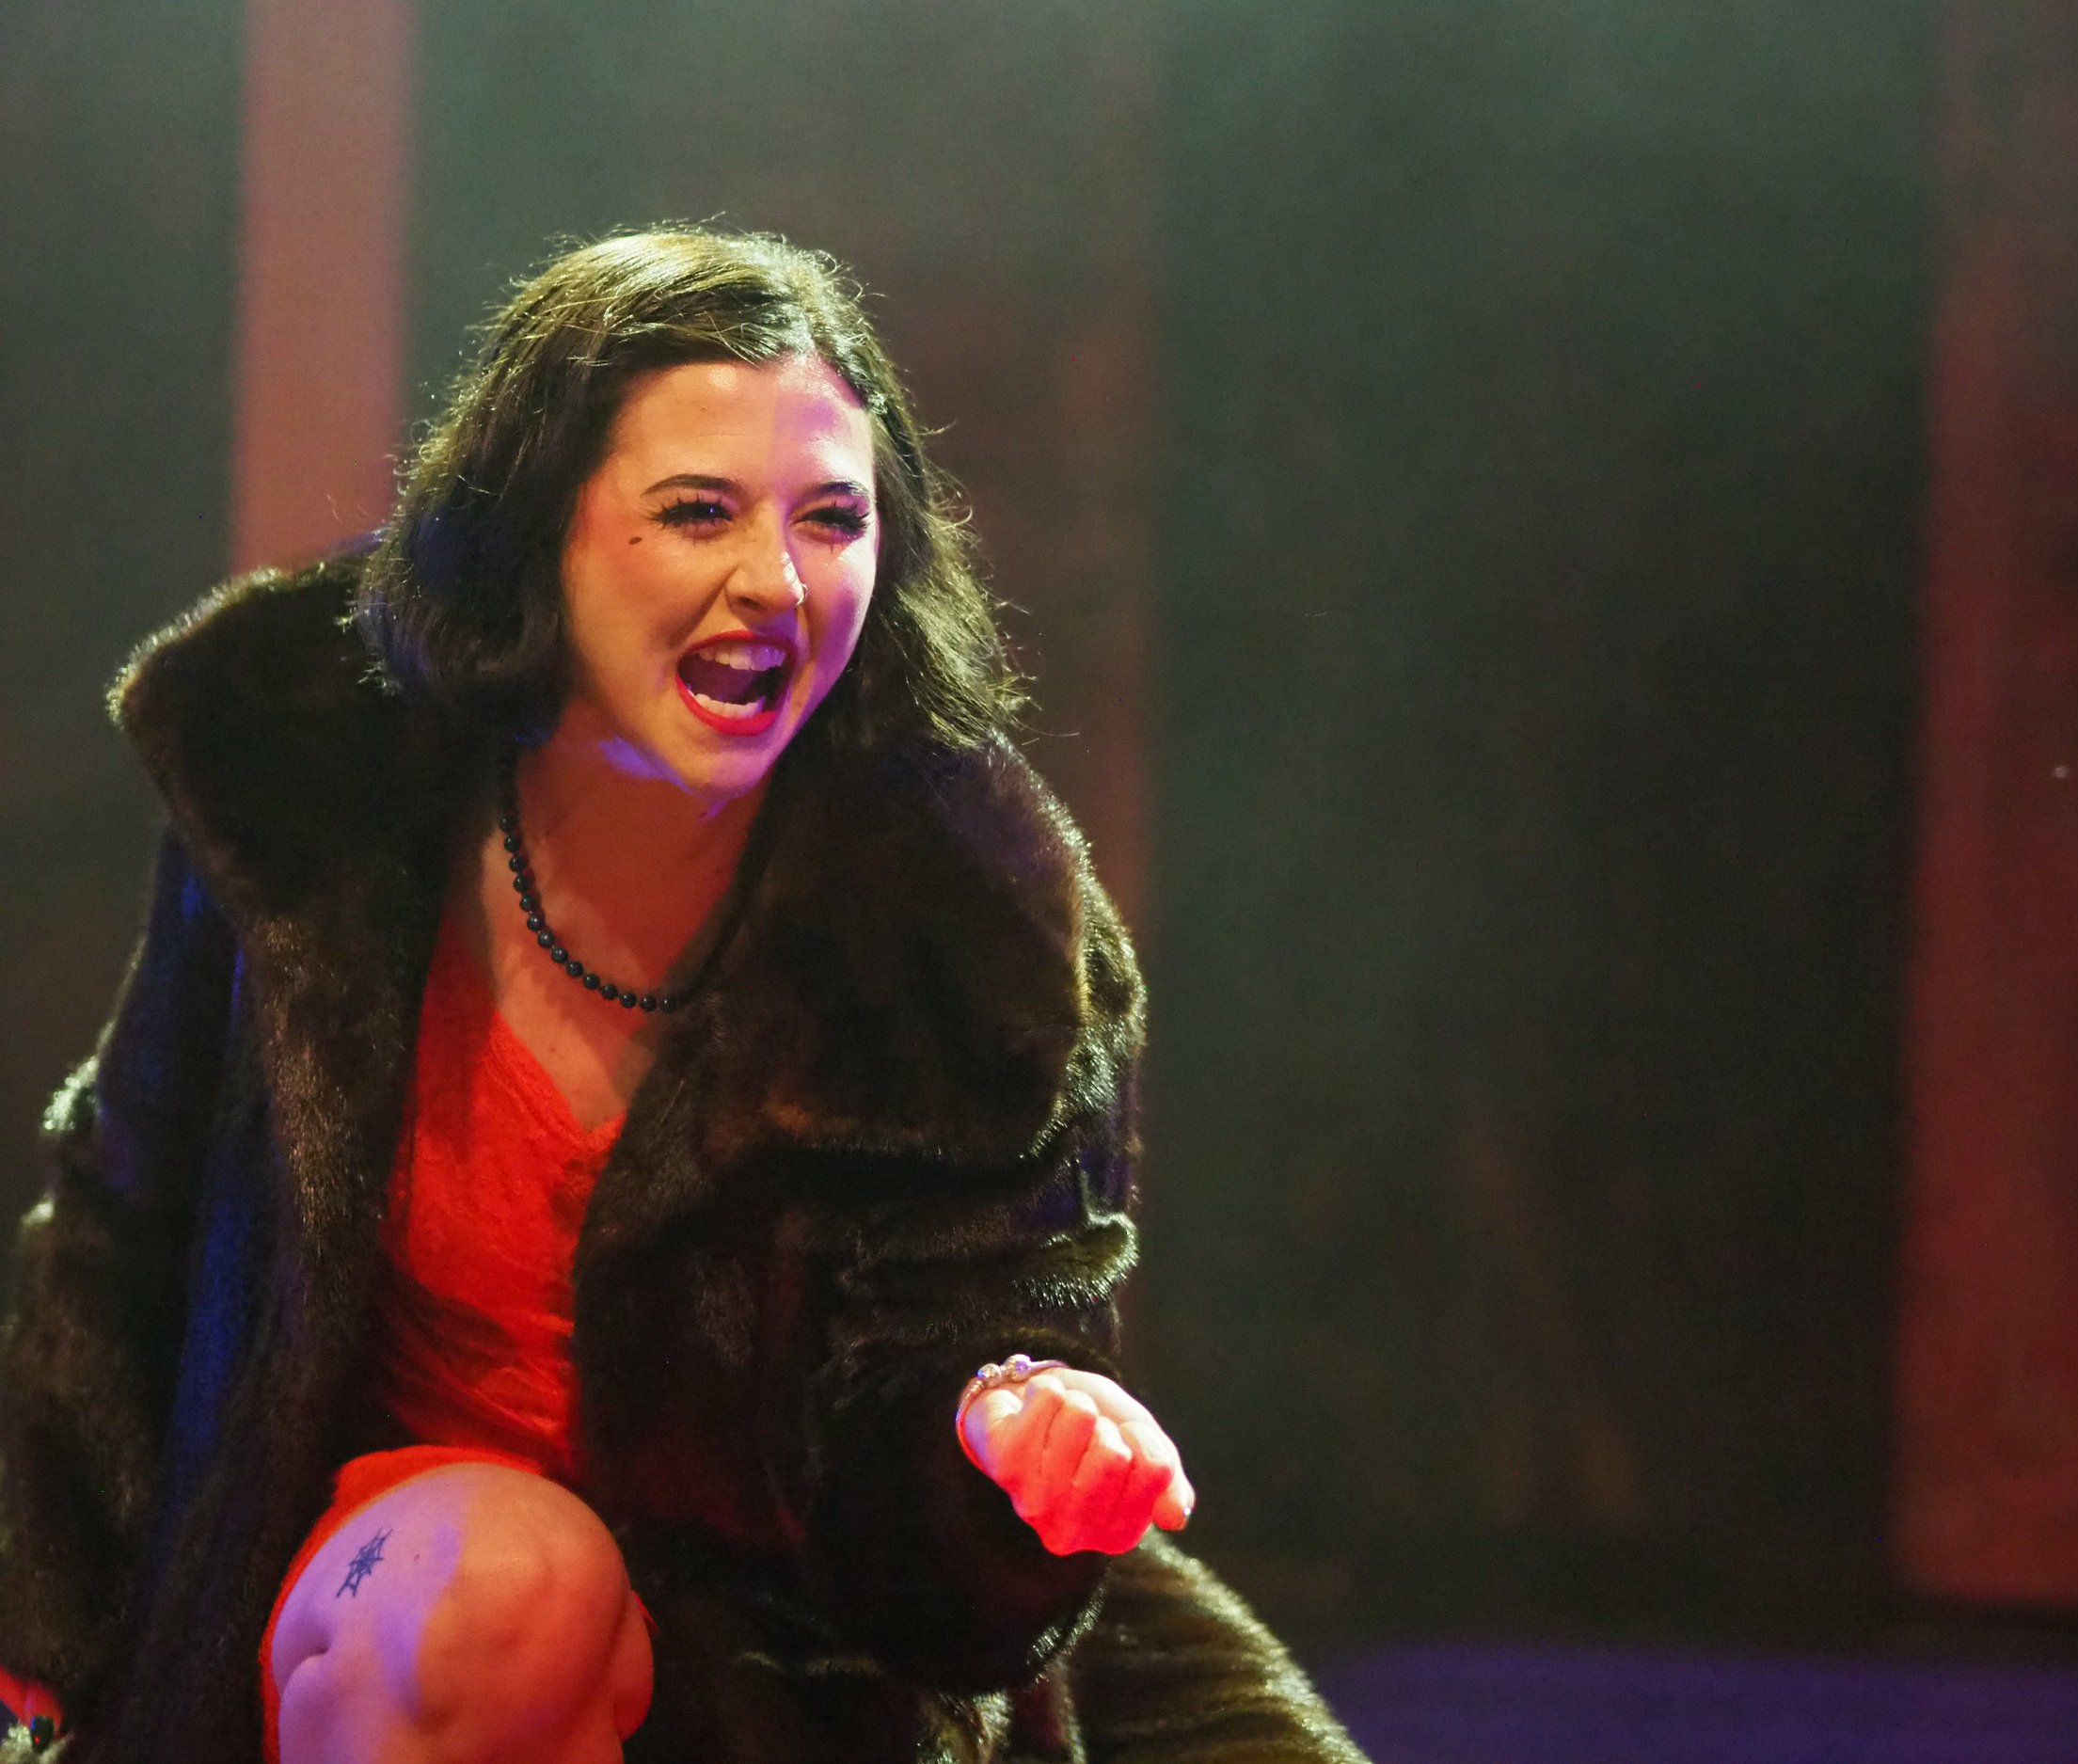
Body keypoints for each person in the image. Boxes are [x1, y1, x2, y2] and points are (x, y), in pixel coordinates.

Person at [0, 229, 1360, 1764]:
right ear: (536, 536)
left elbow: (946, 1441)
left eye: (833, 521)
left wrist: (995, 1445)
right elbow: (126, 1216)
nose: (775, 583)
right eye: (697, 512)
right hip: (386, 1573)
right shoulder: (303, 776)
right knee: (509, 1599)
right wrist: (34, 1643)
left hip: (785, 1644)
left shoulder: (972, 924)